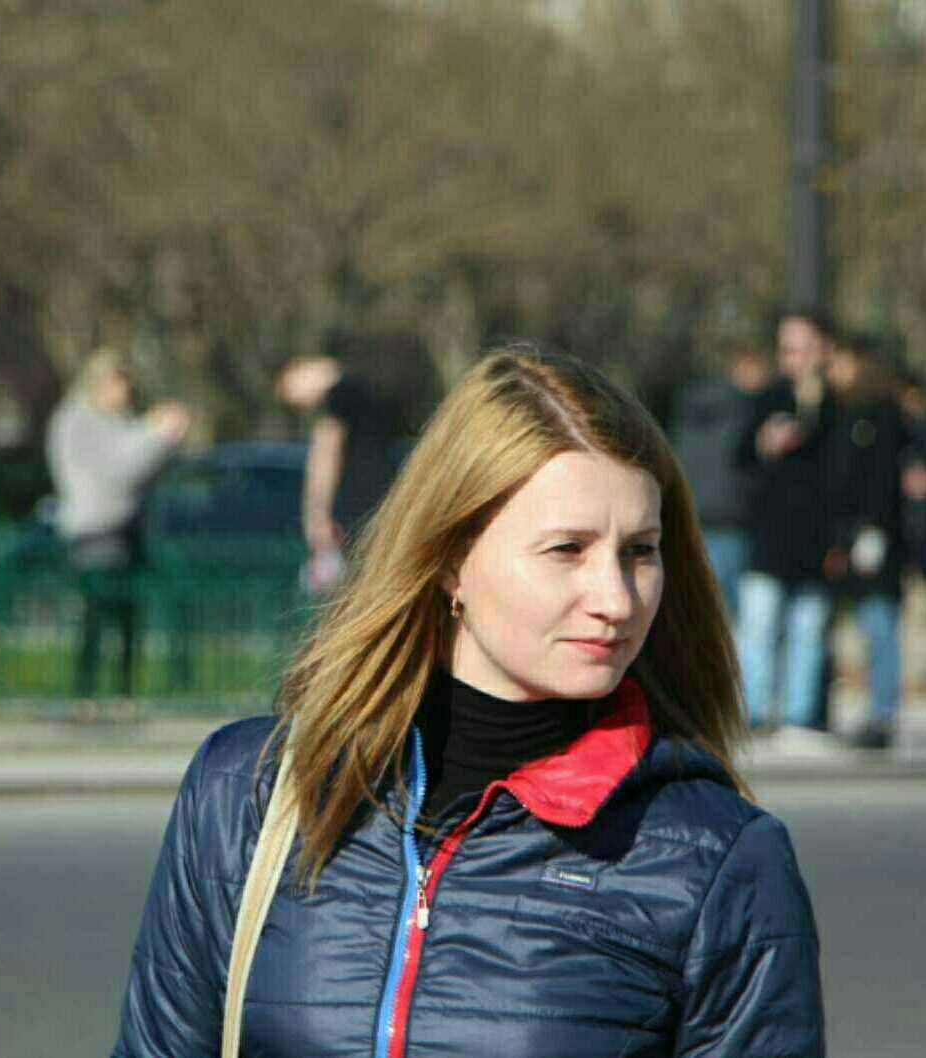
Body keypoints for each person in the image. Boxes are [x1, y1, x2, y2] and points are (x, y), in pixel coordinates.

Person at [112, 346, 824, 1057]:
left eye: (639, 551)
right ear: (451, 556)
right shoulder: (250, 792)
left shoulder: (719, 859)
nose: (615, 599)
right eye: (567, 549)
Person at [45, 348, 190, 698]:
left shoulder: (117, 420)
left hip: (127, 529)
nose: (127, 391)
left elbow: (134, 454)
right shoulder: (77, 422)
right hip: (96, 531)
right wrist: (156, 433)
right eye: (121, 383)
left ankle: (123, 692)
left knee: (128, 617)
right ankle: (86, 693)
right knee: (95, 616)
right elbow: (120, 468)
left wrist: (153, 432)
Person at [735, 308, 838, 737]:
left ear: (824, 350)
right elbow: (740, 458)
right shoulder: (767, 399)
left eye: (804, 348)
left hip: (817, 536)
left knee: (808, 627)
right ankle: (755, 711)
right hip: (770, 533)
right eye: (788, 349)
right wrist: (765, 444)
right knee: (759, 624)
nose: (796, 358)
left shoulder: (838, 404)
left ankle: (799, 712)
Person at [824, 335, 913, 750]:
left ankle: (883, 713)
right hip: (856, 534)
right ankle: (875, 710)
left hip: (875, 536)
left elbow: (880, 481)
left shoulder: (880, 417)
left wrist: (872, 530)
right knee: (868, 624)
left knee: (879, 624)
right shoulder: (844, 413)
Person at [277, 353, 402, 588]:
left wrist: (317, 515)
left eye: (290, 390)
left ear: (301, 369)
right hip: (386, 500)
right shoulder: (369, 391)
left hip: (358, 507)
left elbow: (326, 453)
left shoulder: (336, 398)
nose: (299, 402)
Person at [670, 344, 771, 620]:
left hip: (695, 514)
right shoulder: (744, 412)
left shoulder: (692, 407)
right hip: (732, 518)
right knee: (731, 612)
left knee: (702, 605)